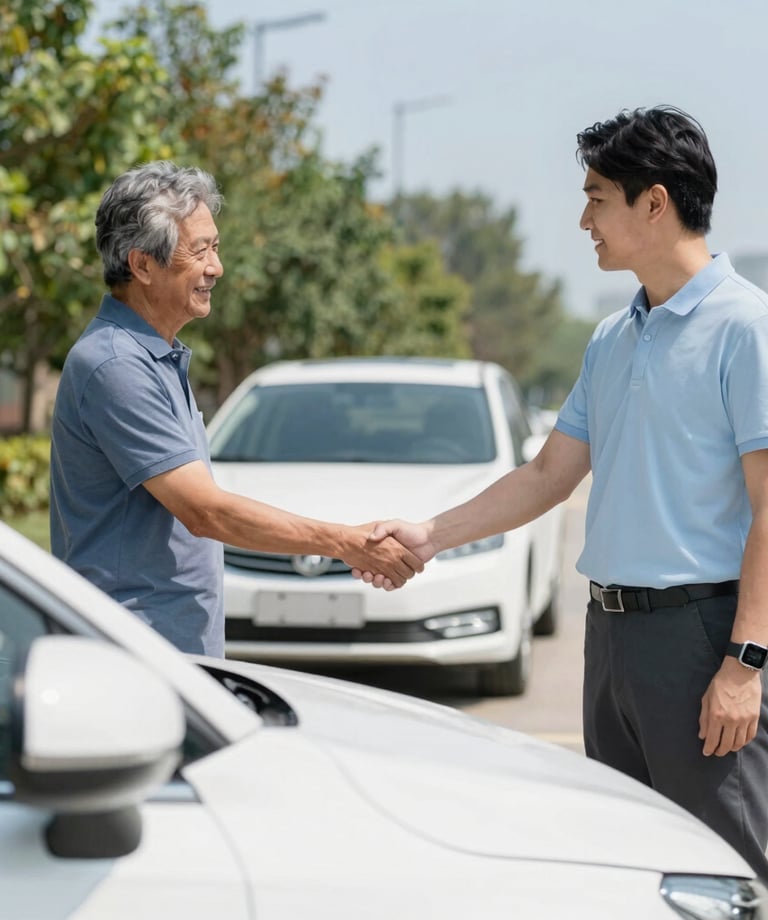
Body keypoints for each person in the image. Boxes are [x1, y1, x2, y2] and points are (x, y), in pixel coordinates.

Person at [356, 106, 768, 882]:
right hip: (610, 638)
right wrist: (431, 535)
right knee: (630, 869)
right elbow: (549, 475)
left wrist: (744, 664)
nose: (583, 220)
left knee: (724, 872)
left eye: (596, 198)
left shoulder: (746, 328)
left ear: (655, 201)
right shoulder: (614, 337)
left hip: (702, 636)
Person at [49, 161, 422, 658]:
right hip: (132, 655)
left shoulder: (155, 355)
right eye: (199, 250)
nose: (216, 267)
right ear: (142, 266)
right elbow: (204, 511)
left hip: (167, 649)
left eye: (216, 247)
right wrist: (342, 542)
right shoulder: (115, 364)